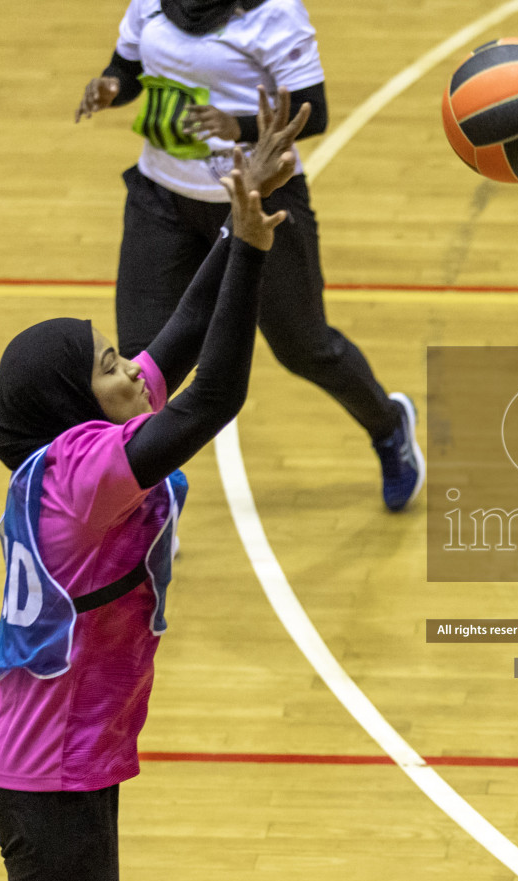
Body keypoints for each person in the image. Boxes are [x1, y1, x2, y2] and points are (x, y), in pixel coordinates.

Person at [0, 91, 301, 881]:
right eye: (110, 368)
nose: (134, 373)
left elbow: (185, 343)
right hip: (48, 782)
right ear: (78, 409)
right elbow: (212, 401)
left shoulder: (86, 443)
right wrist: (257, 252)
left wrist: (241, 224)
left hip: (61, 767)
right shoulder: (82, 475)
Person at [74, 0, 423, 511]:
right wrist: (111, 87)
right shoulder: (151, 5)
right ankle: (147, 506)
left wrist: (238, 125)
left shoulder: (275, 13)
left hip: (260, 199)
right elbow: (126, 68)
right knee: (141, 366)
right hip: (161, 201)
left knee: (304, 347)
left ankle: (389, 425)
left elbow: (314, 109)